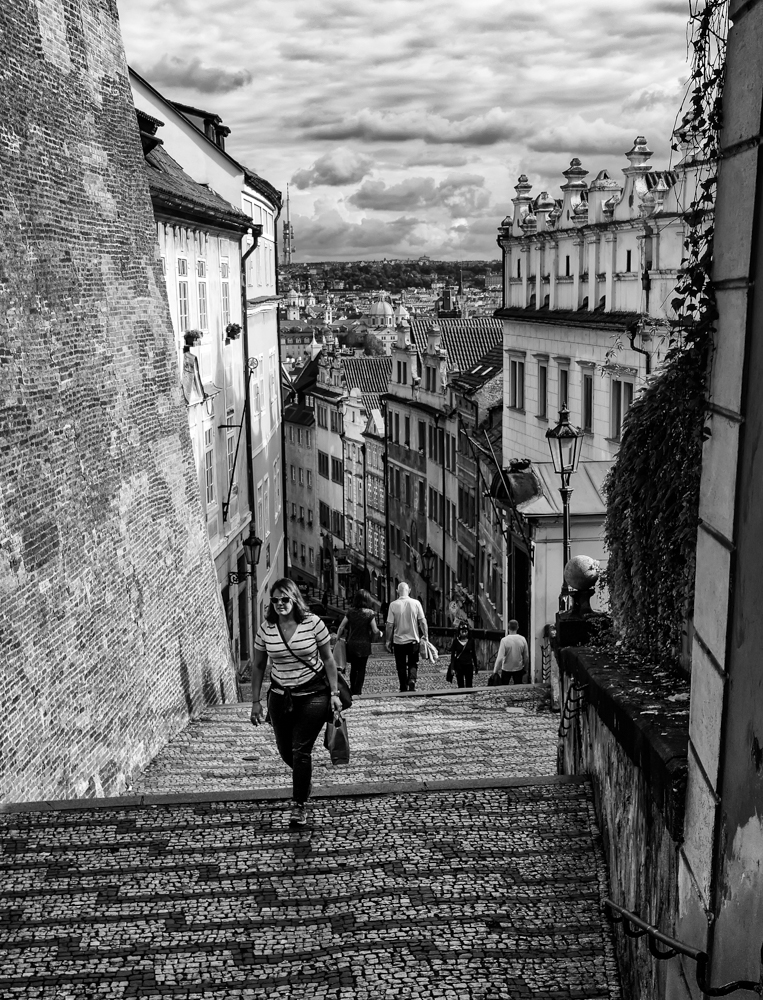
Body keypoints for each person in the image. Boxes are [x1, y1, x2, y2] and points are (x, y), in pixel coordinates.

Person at [250, 578, 343, 827]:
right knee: (285, 750)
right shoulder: (266, 629)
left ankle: (299, 805)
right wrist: (256, 701)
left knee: (300, 750)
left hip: (313, 695)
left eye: (285, 599)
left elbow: (329, 660)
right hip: (280, 697)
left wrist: (334, 694)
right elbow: (258, 666)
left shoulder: (314, 623)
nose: (280, 604)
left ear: (294, 599)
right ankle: (304, 779)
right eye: (276, 600)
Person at [336, 590, 382, 696]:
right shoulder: (370, 613)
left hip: (352, 643)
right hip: (364, 644)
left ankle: (352, 688)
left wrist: (338, 638)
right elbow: (375, 630)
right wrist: (380, 633)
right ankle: (358, 690)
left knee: (354, 667)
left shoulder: (350, 612)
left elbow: (341, 626)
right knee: (361, 669)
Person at [385, 582, 428, 692]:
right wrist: (426, 636)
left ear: (397, 591)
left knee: (401, 665)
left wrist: (387, 641)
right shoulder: (416, 603)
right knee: (413, 662)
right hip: (413, 640)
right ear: (409, 590)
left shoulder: (393, 605)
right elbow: (422, 621)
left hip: (398, 641)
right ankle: (412, 680)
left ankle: (403, 687)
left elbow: (389, 625)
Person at [493, 619, 529, 684]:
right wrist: (525, 668)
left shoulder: (504, 640)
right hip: (518, 667)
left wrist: (495, 670)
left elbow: (500, 658)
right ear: (517, 627)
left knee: (504, 685)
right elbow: (526, 656)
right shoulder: (522, 639)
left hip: (506, 668)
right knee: (518, 687)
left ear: (508, 627)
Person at [449, 621, 479, 688]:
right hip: (459, 666)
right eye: (462, 631)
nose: (464, 632)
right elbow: (453, 655)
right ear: (459, 632)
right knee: (460, 684)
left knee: (469, 684)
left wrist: (476, 666)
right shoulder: (455, 642)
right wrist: (452, 668)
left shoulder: (471, 641)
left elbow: (473, 654)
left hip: (468, 665)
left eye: (465, 631)